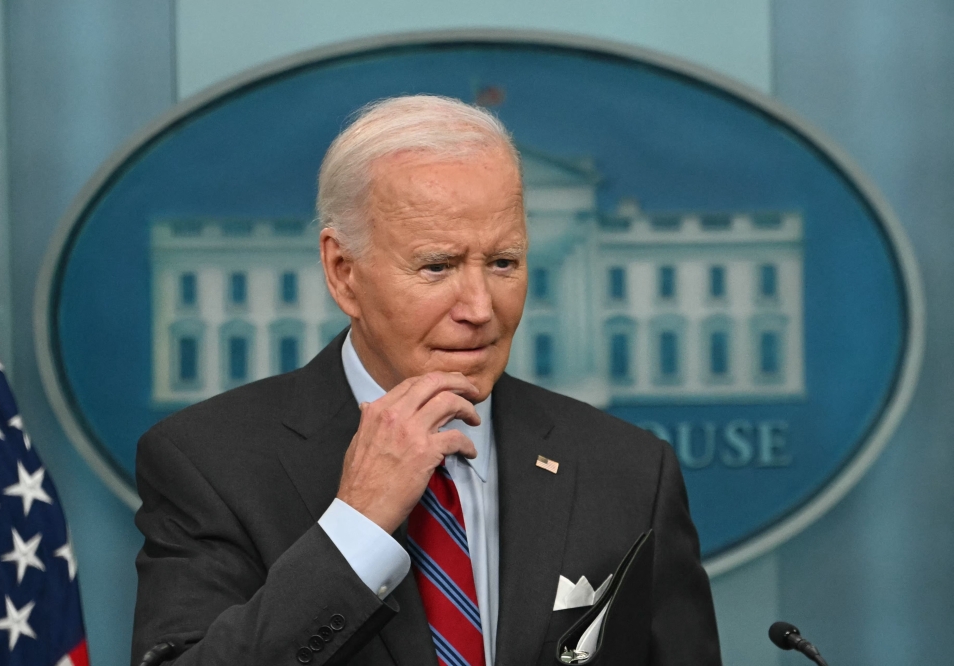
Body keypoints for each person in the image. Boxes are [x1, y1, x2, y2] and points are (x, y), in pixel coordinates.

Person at [131, 95, 721, 666]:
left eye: (503, 263)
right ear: (344, 274)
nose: (480, 307)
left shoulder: (631, 472)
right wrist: (355, 529)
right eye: (437, 266)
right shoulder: (207, 463)